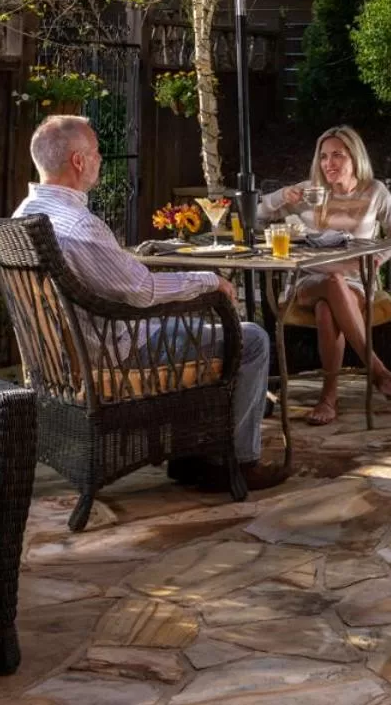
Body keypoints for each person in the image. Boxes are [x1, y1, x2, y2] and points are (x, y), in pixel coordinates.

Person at [14, 114, 286, 491]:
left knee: (188, 325)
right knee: (252, 338)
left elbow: (118, 281)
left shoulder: (23, 216)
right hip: (114, 352)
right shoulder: (78, 225)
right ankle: (237, 462)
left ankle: (191, 454)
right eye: (96, 152)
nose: (100, 160)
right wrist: (210, 281)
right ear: (78, 161)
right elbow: (143, 291)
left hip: (63, 358)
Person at [258, 125, 391, 426]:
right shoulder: (308, 192)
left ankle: (328, 398)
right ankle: (378, 372)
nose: (329, 163)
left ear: (355, 157)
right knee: (328, 283)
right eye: (324, 156)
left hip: (356, 282)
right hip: (305, 282)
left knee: (328, 309)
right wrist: (279, 197)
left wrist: (379, 257)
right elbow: (255, 213)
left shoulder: (374, 192)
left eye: (338, 155)